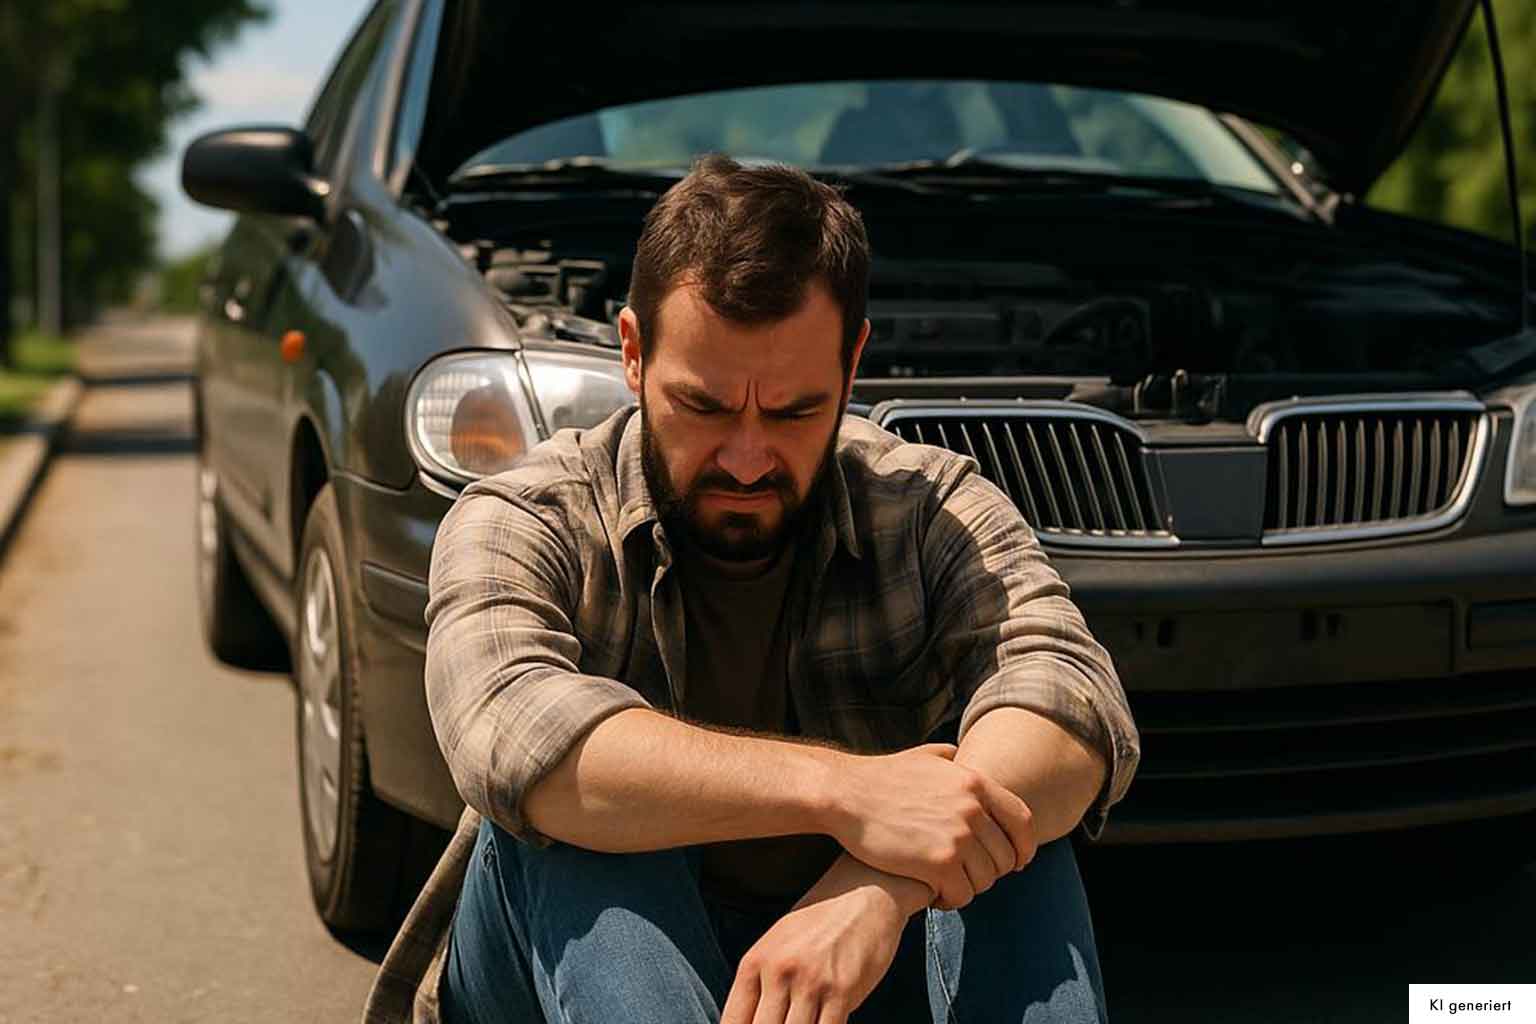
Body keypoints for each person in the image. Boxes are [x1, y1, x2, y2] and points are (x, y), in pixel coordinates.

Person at [363, 154, 1140, 1024]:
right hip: (556, 975)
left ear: (853, 367)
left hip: (851, 972)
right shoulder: (526, 514)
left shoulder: (932, 505)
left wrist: (876, 884)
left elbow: (1071, 697)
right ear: (631, 353)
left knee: (1005, 827)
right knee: (590, 822)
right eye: (702, 406)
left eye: (793, 412)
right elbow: (513, 736)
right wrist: (849, 795)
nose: (745, 457)